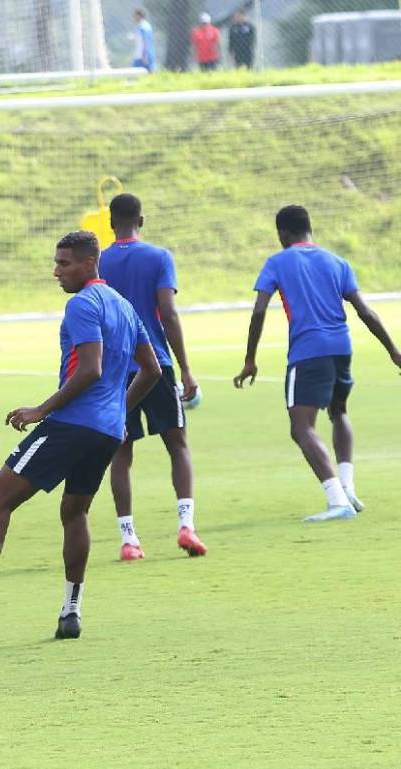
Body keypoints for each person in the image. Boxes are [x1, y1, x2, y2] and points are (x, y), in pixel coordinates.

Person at [0, 232, 159, 640]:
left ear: (89, 263)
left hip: (72, 425)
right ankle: (70, 612)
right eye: (56, 263)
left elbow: (91, 368)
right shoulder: (125, 307)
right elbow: (152, 370)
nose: (56, 270)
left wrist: (41, 410)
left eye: (64, 263)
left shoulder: (82, 303)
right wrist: (118, 411)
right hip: (107, 432)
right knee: (74, 513)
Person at [234, 205, 401, 521]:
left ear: (282, 233)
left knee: (301, 428)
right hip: (342, 347)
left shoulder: (277, 262)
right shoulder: (337, 261)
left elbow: (258, 311)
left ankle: (338, 500)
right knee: (339, 412)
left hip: (308, 352)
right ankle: (348, 486)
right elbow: (365, 311)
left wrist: (250, 359)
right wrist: (393, 350)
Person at [99, 194, 207, 560]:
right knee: (177, 445)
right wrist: (187, 368)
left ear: (111, 222)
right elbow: (168, 313)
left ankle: (129, 539)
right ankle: (187, 526)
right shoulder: (159, 258)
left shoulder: (98, 262)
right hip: (156, 364)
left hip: (115, 371)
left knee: (120, 452)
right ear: (141, 220)